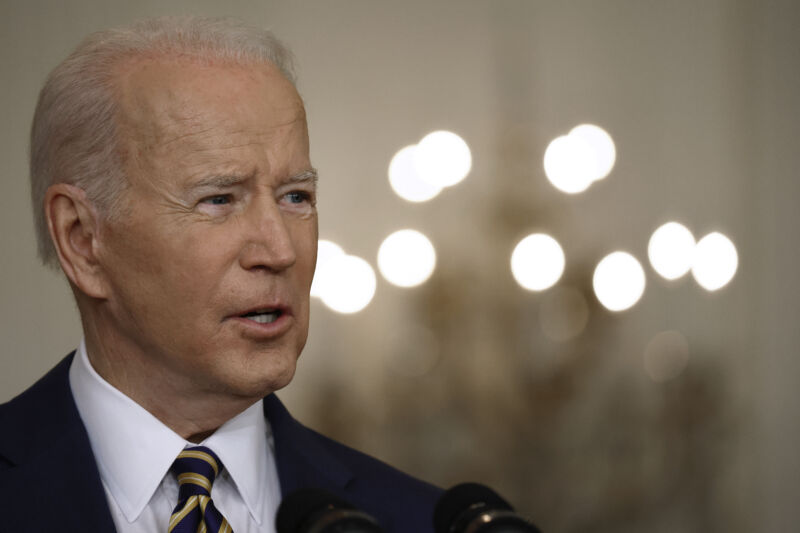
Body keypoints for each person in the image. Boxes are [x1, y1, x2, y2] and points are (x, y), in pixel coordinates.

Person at [0, 16, 440, 532]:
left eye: (296, 196)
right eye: (219, 200)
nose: (280, 251)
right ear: (82, 240)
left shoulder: (415, 519)